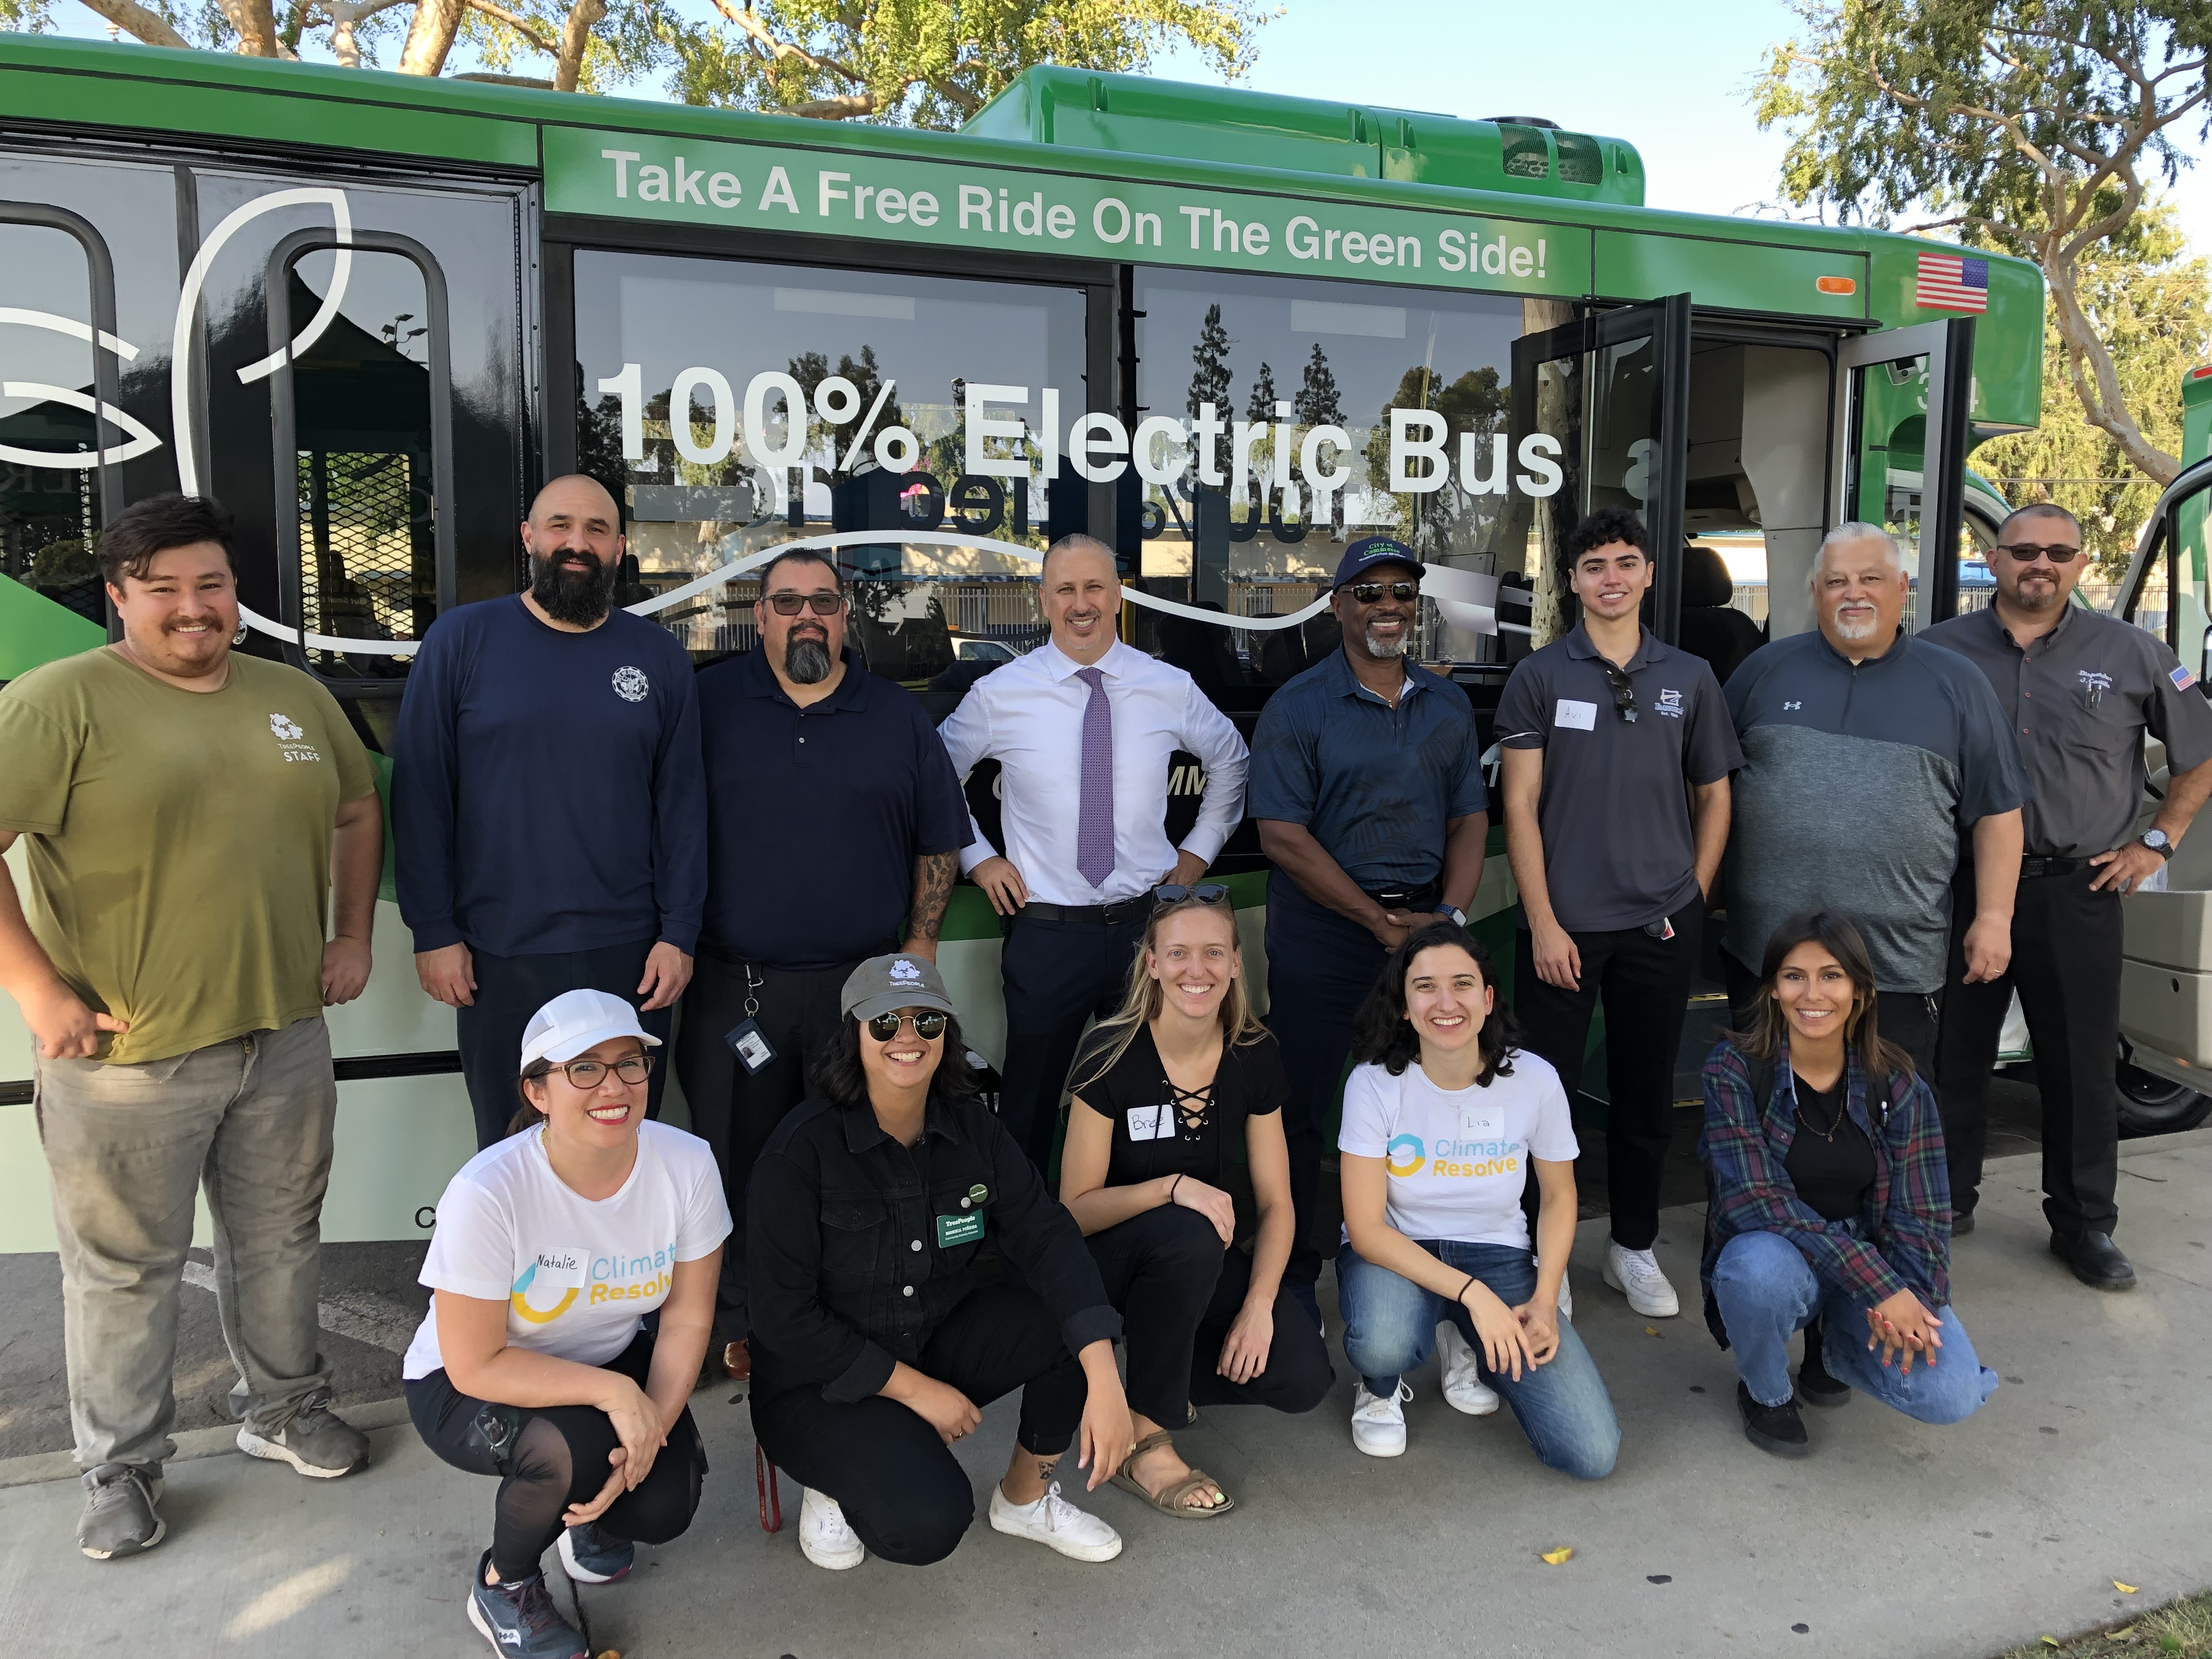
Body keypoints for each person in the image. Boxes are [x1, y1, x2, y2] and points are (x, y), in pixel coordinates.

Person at [0, 493, 383, 1559]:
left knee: (279, 1245)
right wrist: (36, 991)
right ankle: (119, 1469)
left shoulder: (292, 697)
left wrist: (352, 935)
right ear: (118, 596)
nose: (191, 608)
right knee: (124, 1272)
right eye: (162, 588)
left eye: (209, 584)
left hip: (283, 1037)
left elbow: (357, 810)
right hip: (131, 1061)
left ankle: (283, 1412)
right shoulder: (57, 701)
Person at [747, 954, 1137, 1571]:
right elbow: (781, 1319)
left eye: (928, 1021)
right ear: (852, 1035)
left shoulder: (973, 1128)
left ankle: (1025, 1499)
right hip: (817, 1384)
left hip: (933, 1337)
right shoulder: (801, 1153)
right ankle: (832, 1477)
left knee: (1078, 1318)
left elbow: (1048, 1236)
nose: (909, 1037)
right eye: (885, 1024)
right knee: (927, 1523)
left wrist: (1104, 1375)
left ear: (947, 1035)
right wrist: (919, 1393)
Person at [677, 546, 970, 1367]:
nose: (807, 615)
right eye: (787, 601)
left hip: (862, 993)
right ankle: (737, 1322)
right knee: (735, 1162)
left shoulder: (897, 716)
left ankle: (852, 1315)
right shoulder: (705, 706)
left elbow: (937, 843)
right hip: (736, 989)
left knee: (860, 1159)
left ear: (846, 617)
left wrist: (916, 958)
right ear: (759, 617)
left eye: (824, 602)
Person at [1926, 504, 2212, 1288]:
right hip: (1959, 888)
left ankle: (2084, 1226)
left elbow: (2203, 751)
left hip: (2077, 887)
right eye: (2022, 552)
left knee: (2081, 1066)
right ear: (1994, 558)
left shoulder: (2132, 653)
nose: (2039, 565)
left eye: (2057, 552)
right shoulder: (1939, 651)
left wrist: (2158, 843)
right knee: (1953, 1055)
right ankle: (1945, 1202)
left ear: (2082, 564)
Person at [404, 990, 727, 1659]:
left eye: (629, 1063)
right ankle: (504, 1583)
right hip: (463, 1383)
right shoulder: (489, 1191)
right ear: (538, 1091)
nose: (613, 1086)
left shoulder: (688, 1164)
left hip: (608, 1358)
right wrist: (616, 1397)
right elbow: (474, 1363)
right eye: (583, 1068)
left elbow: (689, 1319)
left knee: (666, 1502)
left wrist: (651, 1430)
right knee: (562, 1455)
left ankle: (593, 1519)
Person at [394, 475, 707, 1148]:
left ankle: (623, 1261)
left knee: (621, 1142)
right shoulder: (460, 643)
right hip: (497, 954)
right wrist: (433, 931)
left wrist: (680, 932)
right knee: (511, 1148)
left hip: (631, 956)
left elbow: (682, 807)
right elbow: (421, 797)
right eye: (560, 526)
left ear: (620, 548)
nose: (578, 543)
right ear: (529, 538)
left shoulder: (658, 658)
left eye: (597, 530)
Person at [1496, 505, 1742, 1321]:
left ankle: (1630, 1247)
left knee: (1644, 1098)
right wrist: (1543, 922)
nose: (1611, 578)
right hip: (1565, 929)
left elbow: (1715, 794)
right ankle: (1545, 1254)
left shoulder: (1690, 676)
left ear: (1648, 574)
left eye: (1626, 562)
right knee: (1544, 1100)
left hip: (1661, 924)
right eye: (1595, 565)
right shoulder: (1540, 676)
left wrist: (1694, 892)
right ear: (1571, 580)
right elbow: (1520, 807)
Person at [937, 534, 1248, 1176]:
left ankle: (1147, 1235)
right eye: (1066, 590)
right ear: (1045, 601)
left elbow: (1232, 760)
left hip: (1146, 930)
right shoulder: (1004, 691)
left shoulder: (1167, 685)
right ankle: (1024, 1245)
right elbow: (933, 775)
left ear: (1118, 596)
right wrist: (979, 858)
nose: (1082, 604)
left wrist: (1195, 855)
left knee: (1153, 1097)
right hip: (1047, 930)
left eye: (1095, 588)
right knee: (1029, 1099)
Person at [1248, 535, 1489, 1329]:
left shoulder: (1446, 702)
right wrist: (1375, 922)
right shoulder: (1300, 705)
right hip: (1326, 936)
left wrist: (1445, 923)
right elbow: (1282, 836)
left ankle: (1424, 1271)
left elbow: (1469, 818)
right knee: (1308, 1108)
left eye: (1403, 595)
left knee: (1428, 1108)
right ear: (1338, 605)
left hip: (1422, 933)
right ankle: (1295, 1277)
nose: (1389, 607)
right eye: (1371, 592)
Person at [1059, 887, 1335, 1517]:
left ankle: (1141, 1383)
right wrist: (1171, 1187)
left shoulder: (1254, 1051)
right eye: (1178, 953)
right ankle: (1146, 1441)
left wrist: (1262, 1304)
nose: (1197, 969)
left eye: (1214, 952)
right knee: (1188, 1228)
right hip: (1110, 1263)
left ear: (1237, 963)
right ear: (1151, 963)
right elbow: (1074, 1210)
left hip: (1193, 1263)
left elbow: (1278, 1202)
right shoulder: (1109, 1051)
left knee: (1300, 1377)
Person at [1722, 523, 2028, 1079]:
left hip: (1897, 968)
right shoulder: (1760, 673)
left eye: (1871, 578)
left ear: (1902, 586)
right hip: (1767, 959)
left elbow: (1999, 815)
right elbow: (1709, 794)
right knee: (1763, 1118)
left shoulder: (1958, 684)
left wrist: (1994, 917)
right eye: (1837, 581)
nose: (1854, 593)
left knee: (1889, 1127)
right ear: (1815, 590)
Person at [1699, 911, 1999, 1458]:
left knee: (1952, 1392)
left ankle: (1831, 1345)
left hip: (1866, 1257)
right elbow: (1758, 1203)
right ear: (1772, 991)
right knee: (1755, 1270)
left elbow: (1924, 1216)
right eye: (1794, 976)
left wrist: (1913, 1296)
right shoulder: (1735, 1070)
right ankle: (1766, 1392)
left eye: (1831, 976)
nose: (1813, 993)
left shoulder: (1899, 1084)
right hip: (1780, 1253)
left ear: (1860, 992)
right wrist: (1882, 1288)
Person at [1334, 921, 1620, 1479]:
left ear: (1488, 999)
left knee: (1592, 1453)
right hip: (1399, 1249)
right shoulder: (1373, 1084)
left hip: (1497, 1253)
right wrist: (1477, 1298)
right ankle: (1381, 1387)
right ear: (1402, 1005)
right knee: (1384, 1342)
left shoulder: (1534, 1079)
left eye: (1462, 984)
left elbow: (1561, 1198)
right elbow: (1366, 1230)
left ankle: (1462, 1336)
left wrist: (1543, 1299)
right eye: (1425, 987)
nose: (1446, 1003)